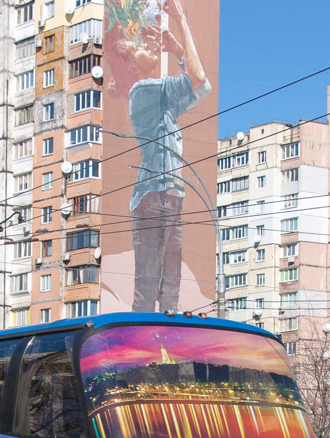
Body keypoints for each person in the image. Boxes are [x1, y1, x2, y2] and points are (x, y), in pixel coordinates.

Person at [119, 0, 212, 313]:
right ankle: (138, 354)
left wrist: (179, 52)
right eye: (137, 47)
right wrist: (181, 21)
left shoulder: (164, 103)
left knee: (171, 284)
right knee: (147, 286)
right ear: (132, 66)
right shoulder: (144, 91)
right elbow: (196, 78)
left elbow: (203, 88)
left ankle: (168, 353)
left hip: (171, 194)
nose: (147, 44)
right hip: (151, 196)